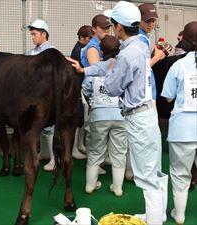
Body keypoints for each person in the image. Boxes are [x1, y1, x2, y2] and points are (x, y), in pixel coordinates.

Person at [67, 1, 168, 224]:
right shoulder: (139, 44)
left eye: (112, 24)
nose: (111, 28)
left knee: (146, 175)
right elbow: (112, 64)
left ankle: (154, 221)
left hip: (138, 117)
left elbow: (112, 86)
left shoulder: (128, 54)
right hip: (147, 113)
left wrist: (97, 73)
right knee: (155, 170)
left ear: (119, 27)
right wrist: (85, 69)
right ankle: (157, 214)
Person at [82, 35, 127, 196]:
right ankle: (118, 188)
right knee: (119, 152)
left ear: (101, 51)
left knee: (95, 151)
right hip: (121, 116)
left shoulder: (95, 69)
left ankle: (90, 185)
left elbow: (86, 90)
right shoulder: (122, 68)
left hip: (98, 115)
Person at [161, 21, 197, 225]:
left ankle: (180, 214)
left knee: (180, 175)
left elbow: (167, 97)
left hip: (182, 130)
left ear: (184, 41)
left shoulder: (178, 65)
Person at [81, 14, 112, 175]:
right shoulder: (93, 47)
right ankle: (94, 163)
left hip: (100, 92)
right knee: (93, 130)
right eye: (103, 27)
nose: (107, 30)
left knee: (99, 130)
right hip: (92, 92)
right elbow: (97, 69)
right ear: (94, 28)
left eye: (108, 27)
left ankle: (101, 158)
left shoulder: (100, 44)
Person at [26, 19, 55, 171]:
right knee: (39, 125)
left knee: (49, 126)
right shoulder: (31, 52)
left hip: (47, 95)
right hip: (34, 95)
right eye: (31, 34)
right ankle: (44, 153)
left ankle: (54, 159)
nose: (32, 37)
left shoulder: (52, 52)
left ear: (44, 34)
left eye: (34, 34)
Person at [70, 25, 93, 160]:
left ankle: (79, 145)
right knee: (78, 119)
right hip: (78, 88)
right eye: (89, 38)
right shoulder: (78, 50)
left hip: (82, 87)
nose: (91, 41)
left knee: (82, 119)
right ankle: (74, 148)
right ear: (82, 38)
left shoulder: (82, 48)